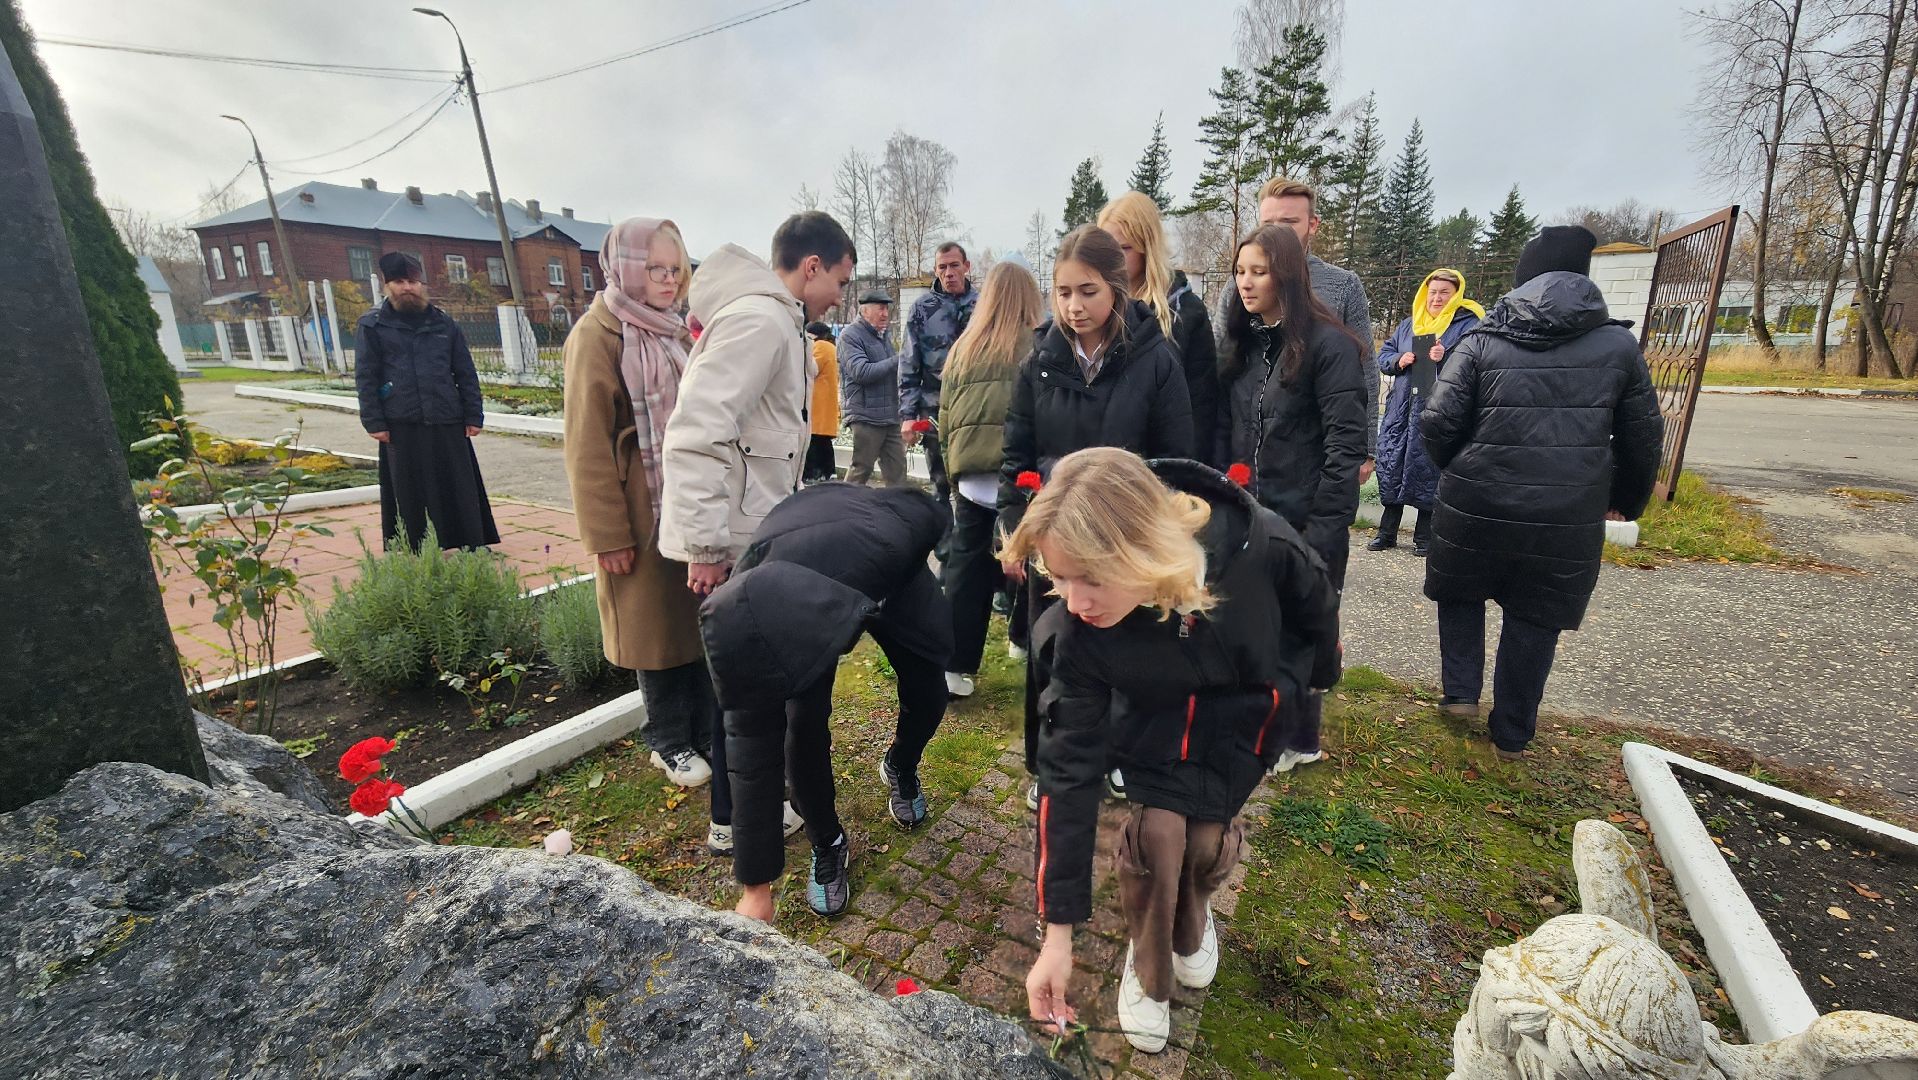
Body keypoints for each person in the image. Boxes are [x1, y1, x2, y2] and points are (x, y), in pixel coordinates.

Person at [1011, 449, 1340, 1053]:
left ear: (1139, 549)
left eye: (1090, 578)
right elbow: (1068, 769)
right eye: (1059, 578)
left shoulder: (1258, 544)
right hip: (1155, 719)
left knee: (1207, 844)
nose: (1074, 600)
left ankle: (1196, 914)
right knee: (1158, 838)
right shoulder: (1078, 633)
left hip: (1243, 717)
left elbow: (1316, 602)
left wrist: (1312, 682)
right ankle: (1148, 969)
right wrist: (1058, 935)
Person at [1420, 225, 1663, 760]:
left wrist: (1457, 469)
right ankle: (1511, 733)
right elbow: (1643, 435)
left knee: (1461, 590)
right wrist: (1625, 498)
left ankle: (1460, 693)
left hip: (1476, 499)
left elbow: (1437, 420)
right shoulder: (1619, 345)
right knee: (1536, 614)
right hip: (1566, 511)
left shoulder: (1482, 339)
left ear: (1522, 279)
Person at [658, 209, 856, 850]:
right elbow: (696, 433)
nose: (841, 296)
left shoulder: (778, 320)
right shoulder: (762, 320)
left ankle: (748, 808)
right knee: (741, 685)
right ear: (812, 266)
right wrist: (707, 545)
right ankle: (739, 819)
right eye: (841, 280)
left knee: (748, 680)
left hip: (749, 530)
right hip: (731, 540)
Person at [999, 224, 1194, 808]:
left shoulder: (1156, 360)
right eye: (1062, 292)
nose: (1073, 307)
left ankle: (1113, 757)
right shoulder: (1039, 360)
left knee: (1123, 655)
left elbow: (1176, 461)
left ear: (1116, 288)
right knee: (1051, 655)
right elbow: (1016, 456)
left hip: (1121, 543)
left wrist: (1156, 539)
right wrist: (1015, 526)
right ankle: (1049, 763)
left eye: (1087, 291)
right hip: (1055, 544)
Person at [706, 482, 951, 919]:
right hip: (802, 565)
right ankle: (827, 842)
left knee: (930, 688)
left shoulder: (889, 545)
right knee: (801, 726)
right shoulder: (747, 627)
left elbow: (926, 514)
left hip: (881, 566)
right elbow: (750, 752)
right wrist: (755, 887)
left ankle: (901, 765)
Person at [562, 218, 717, 789]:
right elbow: (585, 446)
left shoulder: (676, 331)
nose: (670, 280)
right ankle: (667, 740)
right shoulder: (597, 336)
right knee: (653, 632)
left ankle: (699, 731)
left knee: (691, 623)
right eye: (657, 268)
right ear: (625, 267)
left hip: (682, 504)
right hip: (637, 506)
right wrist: (607, 536)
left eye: (676, 268)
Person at [1217, 224, 1367, 774]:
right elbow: (1230, 427)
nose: (1246, 283)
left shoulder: (1331, 347)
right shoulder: (1246, 342)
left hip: (1304, 518)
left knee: (1301, 632)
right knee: (1255, 626)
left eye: (1259, 271)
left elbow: (1343, 447)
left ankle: (1297, 738)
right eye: (1240, 272)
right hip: (1249, 514)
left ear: (1286, 274)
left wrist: (1324, 530)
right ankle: (1262, 727)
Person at [937, 261, 1045, 699]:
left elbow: (945, 416)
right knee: (1035, 562)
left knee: (966, 569)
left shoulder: (964, 347)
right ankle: (1024, 641)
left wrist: (952, 469)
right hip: (1017, 479)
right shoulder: (1036, 346)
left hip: (969, 480)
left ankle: (955, 666)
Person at [354, 251, 498, 551]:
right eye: (400, 281)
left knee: (457, 484)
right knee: (408, 490)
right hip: (400, 420)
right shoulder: (373, 325)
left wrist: (474, 415)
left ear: (422, 285)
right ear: (387, 285)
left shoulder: (444, 324)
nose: (407, 287)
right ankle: (414, 547)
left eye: (413, 281)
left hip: (447, 416)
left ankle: (470, 542)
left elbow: (465, 372)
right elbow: (366, 375)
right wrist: (373, 421)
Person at [1247, 178, 1379, 483]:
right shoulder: (1240, 286)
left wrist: (1366, 448)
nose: (1277, 231)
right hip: (1251, 451)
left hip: (1318, 454)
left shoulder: (1342, 286)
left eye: (1289, 221)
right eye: (1268, 222)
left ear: (1313, 224)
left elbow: (1366, 368)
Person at [1370, 268, 1485, 555]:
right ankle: (1387, 533)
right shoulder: (1410, 324)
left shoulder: (1466, 325)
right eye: (1433, 292)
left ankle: (1424, 537)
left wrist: (1443, 359)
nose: (1437, 298)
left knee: (1430, 467)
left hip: (1439, 409)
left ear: (1456, 295)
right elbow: (1383, 357)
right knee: (1393, 464)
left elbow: (1474, 367)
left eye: (1444, 292)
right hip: (1401, 409)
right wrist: (1399, 359)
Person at [1097, 192, 1219, 459]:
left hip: (1165, 468)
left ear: (1146, 246)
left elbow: (1202, 407)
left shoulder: (1186, 312)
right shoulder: (1092, 310)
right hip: (1103, 470)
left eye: (1124, 248)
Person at [900, 242, 979, 508]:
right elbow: (910, 364)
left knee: (975, 486)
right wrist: (908, 416)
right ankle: (944, 547)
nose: (949, 273)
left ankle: (976, 546)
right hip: (935, 410)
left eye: (955, 266)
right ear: (935, 270)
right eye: (942, 267)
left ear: (966, 267)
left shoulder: (984, 306)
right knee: (939, 486)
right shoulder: (922, 310)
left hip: (975, 409)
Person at [838, 289, 906, 486]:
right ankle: (844, 510)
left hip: (890, 416)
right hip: (866, 416)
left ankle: (897, 514)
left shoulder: (882, 336)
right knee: (862, 469)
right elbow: (861, 372)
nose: (885, 314)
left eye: (887, 309)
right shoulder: (850, 336)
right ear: (865, 311)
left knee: (897, 472)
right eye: (880, 309)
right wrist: (898, 360)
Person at [804, 321, 840, 483]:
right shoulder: (832, 348)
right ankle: (829, 472)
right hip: (826, 404)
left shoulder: (821, 347)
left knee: (813, 441)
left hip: (817, 403)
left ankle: (812, 474)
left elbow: (811, 369)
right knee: (823, 441)